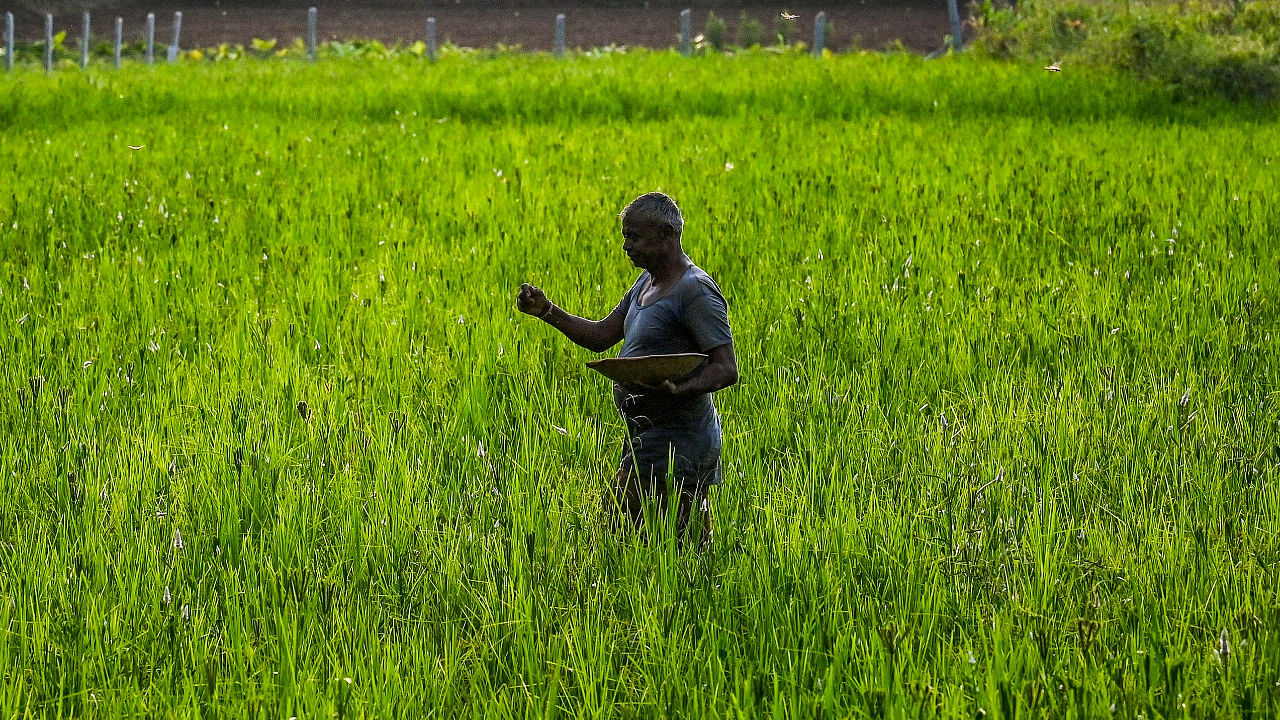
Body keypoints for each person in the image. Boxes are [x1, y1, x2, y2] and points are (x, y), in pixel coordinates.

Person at [516, 192, 738, 547]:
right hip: (643, 441)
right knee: (635, 545)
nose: (626, 246)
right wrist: (547, 311)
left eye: (634, 236)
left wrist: (678, 390)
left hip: (679, 447)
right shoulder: (645, 284)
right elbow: (601, 336)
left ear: (667, 235)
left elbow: (726, 369)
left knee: (662, 548)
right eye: (625, 236)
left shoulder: (695, 291)